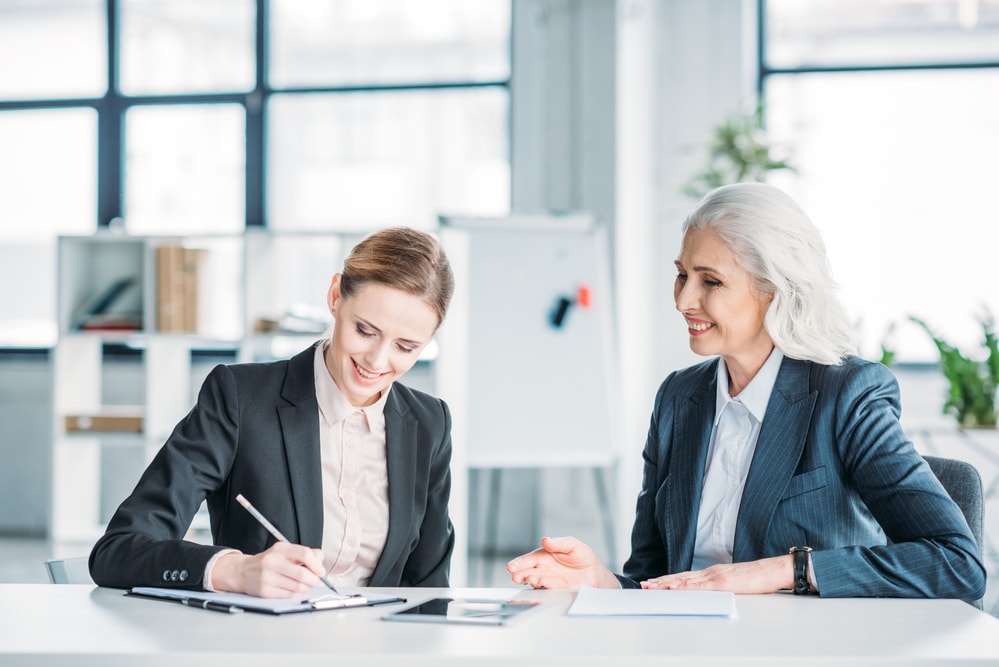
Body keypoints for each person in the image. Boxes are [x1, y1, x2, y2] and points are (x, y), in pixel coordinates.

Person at [507, 183, 986, 601]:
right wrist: (602, 582)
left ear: (776, 289)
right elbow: (656, 583)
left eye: (710, 281)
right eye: (682, 274)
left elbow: (956, 563)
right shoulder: (679, 399)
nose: (682, 299)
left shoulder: (846, 395)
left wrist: (783, 569)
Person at [90, 227, 456, 597]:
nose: (377, 361)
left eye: (406, 347)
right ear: (334, 297)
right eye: (364, 330)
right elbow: (117, 552)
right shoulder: (240, 398)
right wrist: (232, 571)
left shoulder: (429, 424)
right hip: (264, 648)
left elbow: (429, 589)